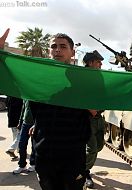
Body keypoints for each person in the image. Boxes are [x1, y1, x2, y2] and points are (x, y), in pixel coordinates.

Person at [0, 29, 91, 190]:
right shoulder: (37, 78)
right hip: (45, 153)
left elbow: (98, 106)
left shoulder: (83, 80)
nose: (57, 49)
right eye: (53, 46)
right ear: (49, 51)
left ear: (72, 52)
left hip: (72, 154)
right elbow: (10, 76)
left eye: (63, 46)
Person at [82, 50, 106, 188]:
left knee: (99, 146)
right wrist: (87, 107)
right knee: (91, 149)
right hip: (85, 119)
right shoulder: (81, 76)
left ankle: (83, 167)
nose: (101, 64)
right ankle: (84, 172)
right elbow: (76, 93)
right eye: (98, 61)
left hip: (98, 117)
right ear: (90, 62)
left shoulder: (99, 76)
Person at [12, 100, 36, 174]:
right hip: (25, 124)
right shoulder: (25, 96)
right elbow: (23, 109)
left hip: (34, 125)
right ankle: (22, 165)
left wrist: (36, 124)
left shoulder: (38, 96)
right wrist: (20, 122)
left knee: (34, 146)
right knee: (21, 145)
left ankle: (33, 164)